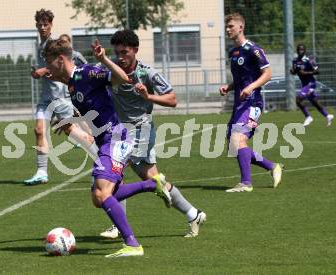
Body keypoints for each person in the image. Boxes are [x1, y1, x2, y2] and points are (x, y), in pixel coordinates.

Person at [44, 38, 172, 257]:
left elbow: (123, 78)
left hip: (116, 138)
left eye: (48, 63)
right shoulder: (73, 84)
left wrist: (103, 59)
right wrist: (69, 121)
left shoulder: (87, 73)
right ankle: (152, 185)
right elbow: (91, 109)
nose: (47, 68)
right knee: (99, 198)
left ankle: (133, 244)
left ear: (60, 59)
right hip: (106, 140)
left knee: (103, 193)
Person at [99, 29, 206, 239]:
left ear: (135, 50)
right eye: (117, 53)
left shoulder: (147, 73)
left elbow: (173, 100)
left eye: (125, 53)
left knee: (113, 170)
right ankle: (193, 214)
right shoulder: (112, 70)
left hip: (141, 130)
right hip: (122, 131)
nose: (120, 57)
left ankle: (117, 225)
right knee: (153, 178)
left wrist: (148, 96)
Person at [24, 9, 92, 185]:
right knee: (39, 130)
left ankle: (103, 154)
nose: (42, 27)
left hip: (59, 97)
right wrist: (38, 73)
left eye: (45, 24)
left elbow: (65, 63)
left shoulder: (53, 45)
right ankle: (41, 172)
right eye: (39, 24)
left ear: (51, 25)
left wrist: (43, 71)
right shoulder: (41, 45)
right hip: (46, 98)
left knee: (72, 131)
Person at [219, 13, 283, 192]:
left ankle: (246, 183)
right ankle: (272, 167)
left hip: (252, 103)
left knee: (238, 139)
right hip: (239, 105)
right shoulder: (233, 53)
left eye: (231, 26)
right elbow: (241, 80)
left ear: (241, 27)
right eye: (227, 26)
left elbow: (267, 74)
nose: (228, 29)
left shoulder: (253, 49)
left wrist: (251, 88)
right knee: (235, 145)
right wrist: (229, 87)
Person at [290, 44, 334, 127]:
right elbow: (295, 71)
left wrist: (306, 73)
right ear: (297, 50)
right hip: (304, 84)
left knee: (298, 100)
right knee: (315, 102)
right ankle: (328, 116)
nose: (301, 51)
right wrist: (292, 71)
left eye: (302, 50)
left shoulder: (309, 60)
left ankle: (308, 117)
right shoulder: (295, 61)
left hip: (311, 84)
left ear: (305, 51)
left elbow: (317, 71)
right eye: (299, 50)